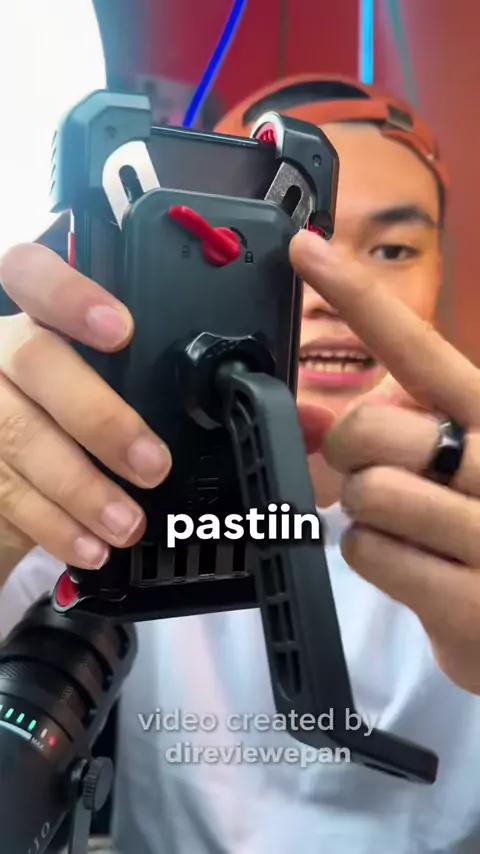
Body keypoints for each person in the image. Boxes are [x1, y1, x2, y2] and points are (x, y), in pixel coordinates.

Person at [0, 73, 479, 853]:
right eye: (264, 236)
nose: (326, 285)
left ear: (441, 277)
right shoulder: (90, 488)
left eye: (393, 248)